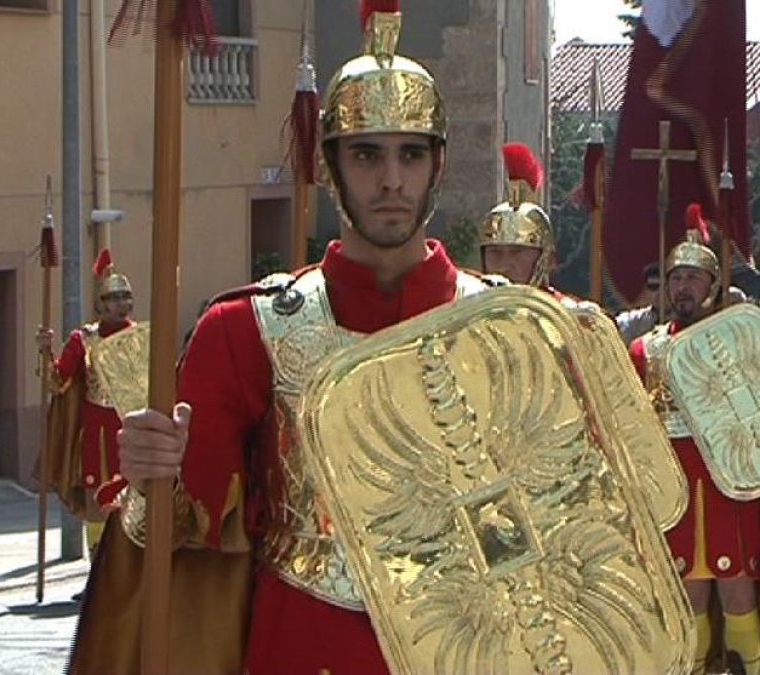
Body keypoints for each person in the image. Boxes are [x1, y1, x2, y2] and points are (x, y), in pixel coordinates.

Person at [69, 3, 502, 671]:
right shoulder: (248, 330)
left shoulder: (507, 328)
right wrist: (154, 473)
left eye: (410, 154)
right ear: (329, 166)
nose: (391, 180)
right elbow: (186, 533)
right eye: (366, 154)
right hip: (304, 644)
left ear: (437, 166)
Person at [628, 205, 760, 675]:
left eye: (693, 277)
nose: (683, 286)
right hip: (676, 490)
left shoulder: (737, 342)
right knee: (690, 596)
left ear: (713, 285)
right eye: (676, 277)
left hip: (731, 485)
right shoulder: (645, 350)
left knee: (738, 589)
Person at [477, 142, 655, 343]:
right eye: (494, 253)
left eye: (517, 252)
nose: (504, 265)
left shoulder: (574, 321)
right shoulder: (468, 319)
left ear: (545, 257)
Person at [36, 249, 136, 563]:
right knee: (97, 502)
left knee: (133, 501)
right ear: (102, 303)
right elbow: (58, 382)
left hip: (130, 427)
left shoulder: (139, 337)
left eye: (126, 297)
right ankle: (97, 572)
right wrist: (45, 352)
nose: (123, 303)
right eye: (116, 298)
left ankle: (127, 571)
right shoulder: (84, 340)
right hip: (96, 431)